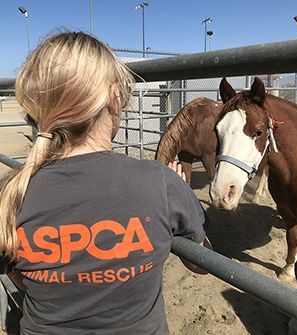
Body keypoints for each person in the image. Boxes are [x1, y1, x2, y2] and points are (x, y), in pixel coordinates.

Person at [0, 31, 210, 335]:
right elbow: (202, 261)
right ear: (114, 98)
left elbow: (20, 278)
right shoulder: (160, 182)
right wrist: (179, 193)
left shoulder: (12, 194)